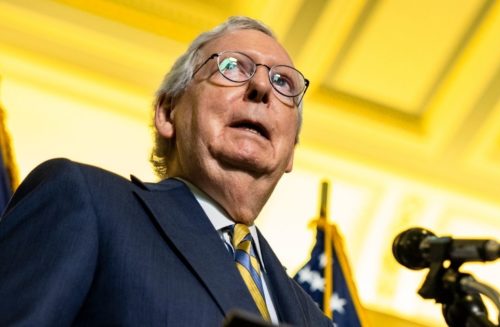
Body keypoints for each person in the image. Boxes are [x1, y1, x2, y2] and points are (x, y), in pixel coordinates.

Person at [0, 16, 332, 326]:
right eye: (232, 66)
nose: (261, 85)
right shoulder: (85, 200)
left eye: (283, 82)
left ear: (291, 152)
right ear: (168, 112)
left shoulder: (315, 318)